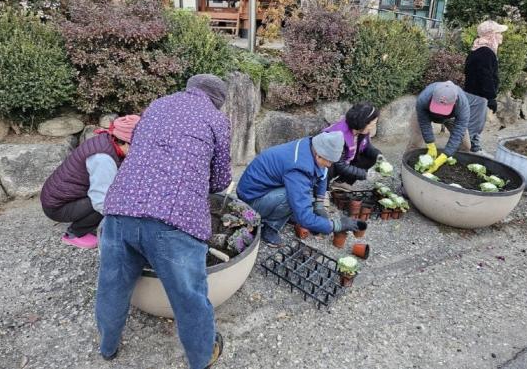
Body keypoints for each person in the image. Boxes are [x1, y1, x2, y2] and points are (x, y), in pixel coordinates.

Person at [95, 74, 231, 369]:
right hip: (174, 217)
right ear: (218, 100)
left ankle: (108, 347)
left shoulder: (157, 105)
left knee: (112, 284)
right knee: (188, 296)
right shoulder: (216, 119)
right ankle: (202, 356)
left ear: (190, 88)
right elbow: (220, 180)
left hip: (121, 207)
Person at [237, 131, 367, 247]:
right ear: (319, 155)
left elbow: (322, 174)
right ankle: (270, 227)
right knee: (292, 198)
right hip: (251, 201)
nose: (329, 165)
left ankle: (281, 213)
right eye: (328, 161)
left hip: (264, 188)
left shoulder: (311, 145)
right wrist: (337, 225)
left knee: (302, 195)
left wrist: (319, 205)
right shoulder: (299, 168)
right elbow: (304, 217)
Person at [40, 115, 141, 249]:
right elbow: (101, 201)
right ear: (126, 142)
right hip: (57, 206)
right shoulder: (102, 159)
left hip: (65, 196)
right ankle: (75, 233)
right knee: (109, 202)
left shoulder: (107, 140)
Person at [406, 81, 472, 173]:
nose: (439, 112)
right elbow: (424, 122)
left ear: (455, 100)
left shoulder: (463, 105)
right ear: (433, 96)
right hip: (426, 113)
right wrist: (431, 144)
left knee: (466, 146)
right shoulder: (424, 98)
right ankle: (406, 172)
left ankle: (457, 171)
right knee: (414, 144)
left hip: (451, 117)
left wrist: (445, 155)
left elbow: (458, 132)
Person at [464, 20, 507, 155]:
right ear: (491, 35)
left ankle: (469, 148)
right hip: (478, 96)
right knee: (475, 124)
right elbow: (485, 76)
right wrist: (490, 97)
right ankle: (471, 151)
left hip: (473, 94)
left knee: (473, 122)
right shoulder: (485, 53)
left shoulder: (477, 50)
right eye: (499, 33)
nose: (502, 36)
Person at [323, 102, 384, 191]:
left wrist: (378, 155)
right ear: (363, 123)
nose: (373, 126)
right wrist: (366, 174)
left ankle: (342, 182)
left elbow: (366, 146)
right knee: (327, 166)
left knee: (371, 157)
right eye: (373, 123)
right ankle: (322, 191)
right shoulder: (338, 135)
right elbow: (340, 165)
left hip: (343, 163)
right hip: (330, 165)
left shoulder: (361, 130)